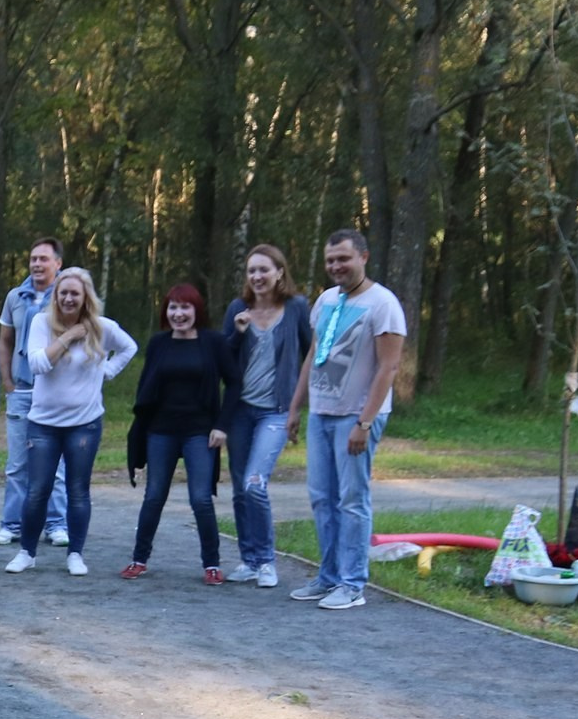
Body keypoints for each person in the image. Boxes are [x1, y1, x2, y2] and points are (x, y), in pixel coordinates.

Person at [289, 228, 407, 611]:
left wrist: (364, 422)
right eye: (331, 260)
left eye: (344, 258)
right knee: (322, 498)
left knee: (352, 500)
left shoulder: (382, 304)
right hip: (321, 413)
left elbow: (389, 367)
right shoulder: (325, 300)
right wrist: (295, 407)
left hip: (355, 418)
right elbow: (312, 357)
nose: (336, 266)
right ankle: (328, 576)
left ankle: (353, 584)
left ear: (363, 257)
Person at [8, 267, 136, 576]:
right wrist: (68, 336)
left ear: (85, 298)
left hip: (85, 424)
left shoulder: (103, 328)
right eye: (63, 292)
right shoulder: (41, 322)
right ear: (55, 296)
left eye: (74, 293)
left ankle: (75, 554)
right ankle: (27, 552)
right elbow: (37, 364)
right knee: (37, 489)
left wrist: (107, 372)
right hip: (43, 424)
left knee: (78, 490)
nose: (68, 298)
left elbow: (130, 347)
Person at [122, 284, 233, 583]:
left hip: (200, 432)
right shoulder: (159, 343)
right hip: (161, 431)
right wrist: (141, 432)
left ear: (197, 311)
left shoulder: (213, 342)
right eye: (173, 307)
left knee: (200, 499)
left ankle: (211, 564)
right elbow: (146, 390)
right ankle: (138, 560)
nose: (179, 313)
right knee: (154, 495)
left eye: (185, 307)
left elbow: (234, 384)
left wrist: (222, 425)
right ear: (165, 311)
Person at [220, 245, 313, 589]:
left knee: (254, 484)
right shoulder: (236, 309)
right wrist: (237, 332)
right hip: (239, 412)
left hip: (276, 411)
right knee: (240, 490)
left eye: (264, 270)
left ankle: (267, 560)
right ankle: (249, 560)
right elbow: (222, 360)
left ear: (279, 273)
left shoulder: (296, 308)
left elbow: (310, 355)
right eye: (251, 271)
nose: (257, 277)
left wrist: (299, 408)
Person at [0, 238, 69, 546]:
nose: (37, 264)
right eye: (33, 259)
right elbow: (5, 342)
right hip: (22, 391)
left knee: (57, 465)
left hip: (56, 392)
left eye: (43, 259)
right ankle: (12, 524)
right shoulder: (15, 296)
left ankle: (56, 524)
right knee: (17, 465)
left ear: (58, 263)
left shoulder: (67, 295)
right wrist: (8, 383)